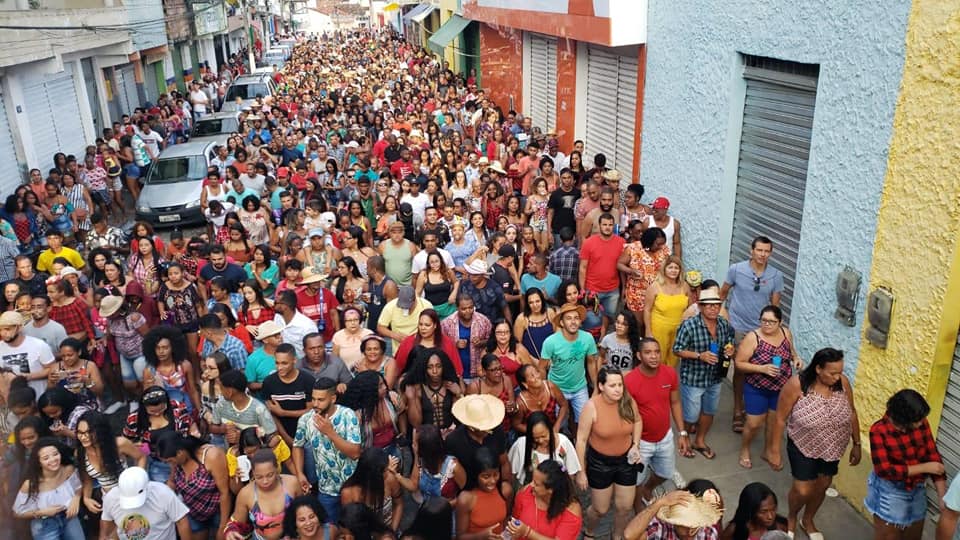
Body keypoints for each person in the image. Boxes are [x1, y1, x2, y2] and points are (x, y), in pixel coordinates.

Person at [768, 349, 859, 539]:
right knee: (803, 489)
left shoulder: (842, 383)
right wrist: (774, 450)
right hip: (803, 444)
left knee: (823, 485)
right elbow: (780, 419)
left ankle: (808, 519)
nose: (837, 377)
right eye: (832, 373)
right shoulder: (797, 385)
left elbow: (852, 412)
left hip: (832, 447)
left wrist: (857, 443)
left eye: (840, 372)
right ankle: (791, 517)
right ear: (818, 369)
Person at [720, 235, 784, 434]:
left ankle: (752, 408)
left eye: (766, 251)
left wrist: (774, 330)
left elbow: (775, 306)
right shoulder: (736, 269)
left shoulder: (776, 276)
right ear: (752, 250)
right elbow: (723, 294)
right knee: (740, 370)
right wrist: (723, 317)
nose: (763, 254)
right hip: (738, 327)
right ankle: (737, 409)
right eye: (759, 250)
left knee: (757, 370)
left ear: (771, 253)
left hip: (761, 331)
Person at [865, 389, 944, 540]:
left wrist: (942, 496)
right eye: (917, 420)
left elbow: (932, 454)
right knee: (889, 536)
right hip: (889, 490)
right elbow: (884, 470)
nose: (922, 422)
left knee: (913, 535)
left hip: (917, 488)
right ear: (904, 418)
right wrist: (924, 467)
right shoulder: (879, 431)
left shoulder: (920, 422)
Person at [575, 366, 642, 540]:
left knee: (625, 507)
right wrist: (581, 472)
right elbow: (581, 440)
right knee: (600, 509)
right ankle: (589, 531)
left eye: (620, 385)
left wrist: (635, 445)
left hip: (626, 461)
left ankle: (617, 536)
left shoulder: (628, 401)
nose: (618, 389)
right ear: (601, 386)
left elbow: (637, 420)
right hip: (600, 463)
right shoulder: (591, 406)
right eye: (612, 385)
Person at [626, 338, 690, 509]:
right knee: (636, 481)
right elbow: (627, 416)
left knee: (665, 473)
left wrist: (682, 433)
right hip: (641, 442)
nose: (654, 356)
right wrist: (632, 444)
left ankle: (648, 489)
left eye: (657, 352)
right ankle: (639, 511)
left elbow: (675, 402)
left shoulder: (670, 373)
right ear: (639, 356)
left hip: (665, 437)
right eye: (648, 352)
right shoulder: (630, 381)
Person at [735, 305, 802, 470]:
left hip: (780, 388)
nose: (767, 324)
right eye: (764, 320)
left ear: (780, 322)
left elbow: (791, 352)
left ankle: (767, 451)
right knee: (753, 423)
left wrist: (796, 359)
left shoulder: (786, 334)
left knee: (773, 423)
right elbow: (739, 363)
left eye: (771, 322)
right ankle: (745, 449)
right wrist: (762, 368)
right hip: (756, 387)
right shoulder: (753, 338)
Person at [673, 289, 735, 461]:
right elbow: (677, 349)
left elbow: (730, 341)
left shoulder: (723, 325)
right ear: (700, 307)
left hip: (715, 376)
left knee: (709, 410)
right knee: (691, 415)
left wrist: (730, 349)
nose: (713, 308)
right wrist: (700, 355)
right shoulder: (689, 325)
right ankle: (685, 438)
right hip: (694, 377)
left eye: (716, 305)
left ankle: (699, 441)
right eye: (709, 305)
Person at [292, 377, 362, 524]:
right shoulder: (305, 420)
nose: (315, 404)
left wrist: (330, 433)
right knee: (329, 528)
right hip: (326, 490)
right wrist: (299, 473)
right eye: (313, 399)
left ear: (333, 398)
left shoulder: (347, 415)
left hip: (352, 486)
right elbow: (297, 445)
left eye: (321, 400)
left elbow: (355, 453)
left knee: (354, 526)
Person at [156, 432, 231, 539]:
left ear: (180, 453)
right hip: (193, 512)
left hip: (217, 512)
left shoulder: (211, 456)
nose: (170, 464)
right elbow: (172, 482)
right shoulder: (176, 462)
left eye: (170, 461)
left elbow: (225, 493)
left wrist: (223, 526)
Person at [76, 410, 147, 516]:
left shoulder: (119, 444)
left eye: (88, 432)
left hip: (131, 493)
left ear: (101, 432)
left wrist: (138, 480)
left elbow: (141, 457)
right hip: (109, 498)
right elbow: (87, 480)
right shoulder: (80, 452)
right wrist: (86, 498)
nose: (83, 437)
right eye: (80, 432)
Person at [12, 437, 84, 540]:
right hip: (44, 523)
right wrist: (41, 512)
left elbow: (78, 486)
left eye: (55, 454)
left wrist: (76, 498)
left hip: (69, 516)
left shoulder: (68, 470)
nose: (53, 460)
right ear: (39, 462)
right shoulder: (30, 484)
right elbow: (17, 513)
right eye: (46, 458)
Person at [540, 303, 599, 426]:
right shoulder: (550, 342)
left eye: (576, 318)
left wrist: (596, 387)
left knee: (585, 422)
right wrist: (545, 390)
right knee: (558, 424)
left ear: (580, 322)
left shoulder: (587, 338)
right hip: (557, 388)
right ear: (562, 323)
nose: (573, 322)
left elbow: (591, 363)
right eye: (569, 318)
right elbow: (542, 367)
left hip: (580, 387)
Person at [224, 448, 302, 540]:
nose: (265, 481)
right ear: (253, 473)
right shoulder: (246, 494)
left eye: (270, 475)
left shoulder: (292, 484)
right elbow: (236, 522)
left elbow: (306, 511)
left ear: (277, 468)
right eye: (259, 477)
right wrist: (231, 531)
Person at [445, 394, 513, 497]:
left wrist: (506, 483)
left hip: (494, 484)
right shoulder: (454, 440)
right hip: (469, 491)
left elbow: (504, 462)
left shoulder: (497, 431)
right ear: (471, 427)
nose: (488, 430)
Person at [98, 466, 191, 540]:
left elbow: (181, 521)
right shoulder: (111, 498)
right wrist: (103, 536)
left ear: (147, 487)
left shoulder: (163, 493)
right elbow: (106, 519)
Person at [261, 343, 315, 449]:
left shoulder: (308, 380)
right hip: (280, 436)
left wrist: (283, 413)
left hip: (307, 434)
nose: (279, 367)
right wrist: (286, 438)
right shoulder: (268, 382)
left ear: (294, 360)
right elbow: (271, 414)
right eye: (277, 363)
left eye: (284, 363)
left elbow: (311, 411)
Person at [340, 446, 404, 532]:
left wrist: (392, 531)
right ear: (373, 476)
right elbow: (349, 523)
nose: (388, 472)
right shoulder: (348, 493)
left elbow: (398, 504)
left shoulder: (390, 479)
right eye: (384, 471)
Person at [210, 370, 278, 449]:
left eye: (222, 389)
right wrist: (223, 429)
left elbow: (274, 437)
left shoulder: (259, 409)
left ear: (230, 392)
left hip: (253, 454)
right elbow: (212, 427)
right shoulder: (221, 404)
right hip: (229, 452)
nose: (221, 393)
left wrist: (243, 438)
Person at [643, 255, 691, 367]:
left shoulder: (685, 286)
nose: (673, 270)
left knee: (674, 359)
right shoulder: (655, 287)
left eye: (676, 268)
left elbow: (690, 309)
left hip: (678, 329)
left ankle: (669, 377)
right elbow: (647, 310)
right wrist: (648, 331)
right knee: (658, 358)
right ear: (664, 269)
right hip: (659, 328)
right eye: (670, 267)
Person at [508, 411, 579, 486]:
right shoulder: (521, 444)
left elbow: (570, 472)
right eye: (536, 438)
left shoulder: (563, 442)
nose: (540, 441)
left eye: (544, 436)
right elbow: (511, 473)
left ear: (550, 430)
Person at [624, 487, 723, 540]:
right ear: (673, 523)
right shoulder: (661, 528)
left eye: (694, 525)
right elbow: (629, 535)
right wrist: (659, 503)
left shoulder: (709, 533)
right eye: (684, 526)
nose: (690, 532)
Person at [456, 447, 509, 539]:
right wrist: (481, 536)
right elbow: (460, 537)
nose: (492, 481)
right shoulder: (466, 499)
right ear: (475, 475)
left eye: (496, 475)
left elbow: (506, 520)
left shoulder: (505, 490)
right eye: (486, 477)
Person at [0, 310, 56, 397]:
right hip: (11, 400)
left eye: (7, 329)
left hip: (38, 398)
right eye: (0, 330)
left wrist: (28, 377)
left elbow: (52, 369)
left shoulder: (39, 345)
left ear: (19, 328)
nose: (3, 333)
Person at [442, 294, 491, 383]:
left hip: (478, 373)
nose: (468, 311)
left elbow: (492, 342)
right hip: (456, 373)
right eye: (464, 309)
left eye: (470, 308)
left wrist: (481, 343)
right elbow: (441, 345)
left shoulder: (483, 321)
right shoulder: (447, 323)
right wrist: (455, 344)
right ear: (457, 308)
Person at [377, 285, 433, 354]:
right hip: (399, 349)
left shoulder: (426, 305)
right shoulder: (390, 307)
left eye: (408, 306)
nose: (405, 308)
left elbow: (432, 326)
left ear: (414, 300)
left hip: (421, 348)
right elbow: (380, 327)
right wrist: (394, 335)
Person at [330, 306, 373, 371]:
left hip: (367, 371)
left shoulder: (368, 334)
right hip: (344, 372)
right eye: (349, 320)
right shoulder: (338, 336)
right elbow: (334, 360)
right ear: (344, 322)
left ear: (360, 320)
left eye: (355, 320)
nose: (353, 323)